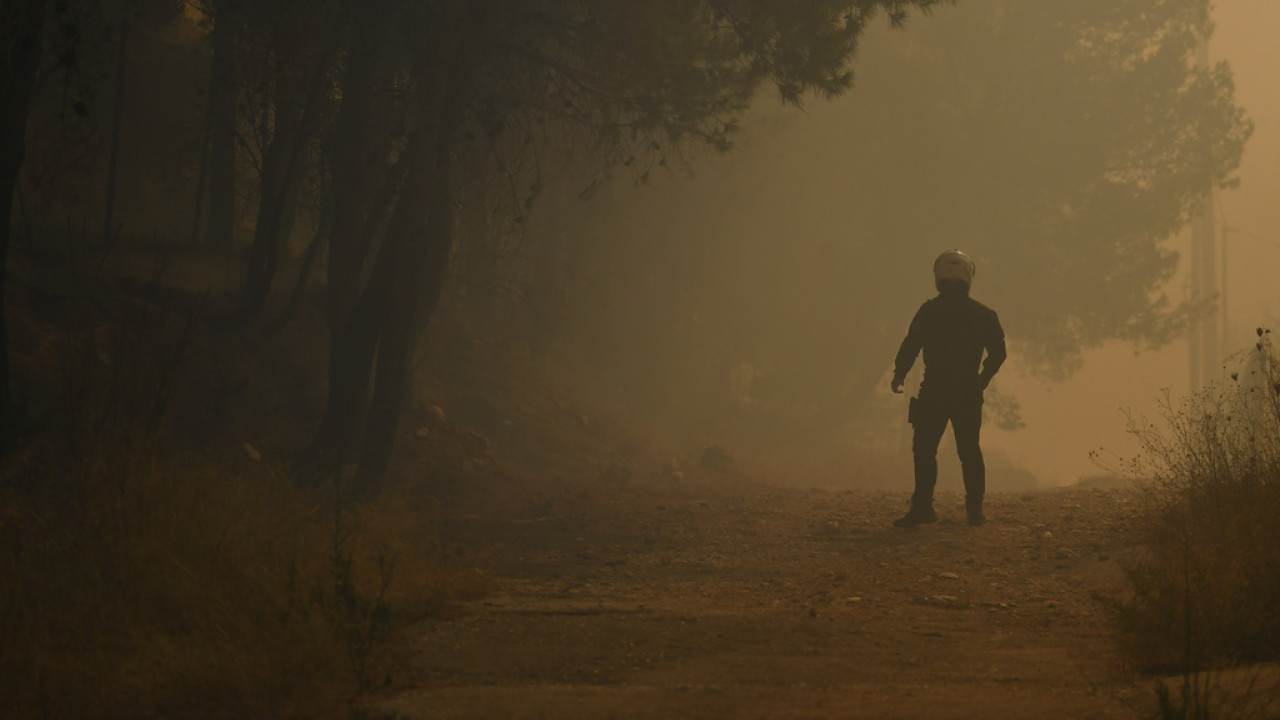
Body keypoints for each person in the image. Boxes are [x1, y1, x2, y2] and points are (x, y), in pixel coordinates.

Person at [889, 250, 1006, 527]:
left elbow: (910, 344)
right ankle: (975, 512)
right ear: (968, 277)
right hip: (967, 391)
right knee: (969, 451)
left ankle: (922, 509)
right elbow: (999, 353)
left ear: (939, 277)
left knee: (925, 450)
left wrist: (899, 374)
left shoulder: (929, 310)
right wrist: (982, 379)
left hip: (934, 391)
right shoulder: (984, 314)